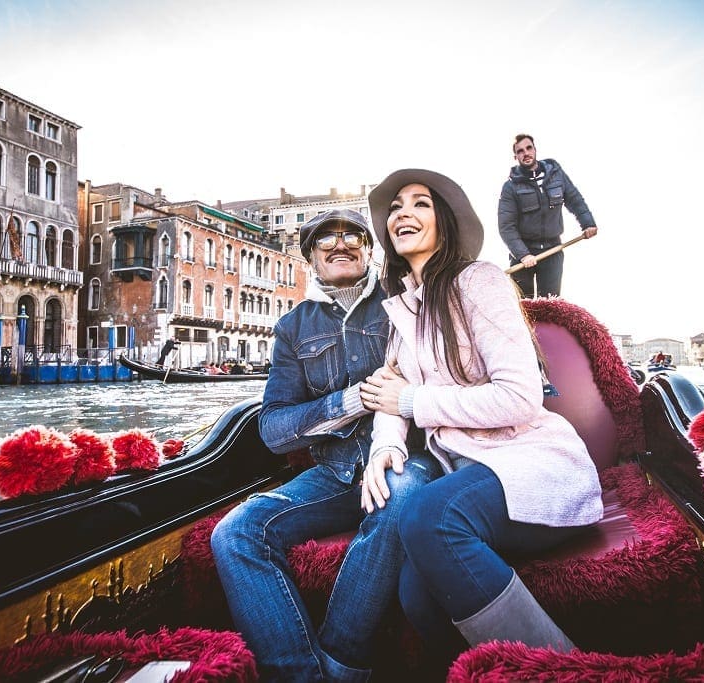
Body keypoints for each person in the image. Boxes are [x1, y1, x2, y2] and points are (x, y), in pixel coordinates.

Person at [361, 169, 604, 657]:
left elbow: (519, 396)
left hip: (533, 466)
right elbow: (388, 391)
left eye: (419, 204)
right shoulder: (403, 310)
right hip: (475, 476)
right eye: (395, 208)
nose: (403, 213)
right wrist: (385, 444)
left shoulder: (480, 281)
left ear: (445, 222)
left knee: (428, 516)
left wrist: (412, 403)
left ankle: (562, 670)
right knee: (415, 588)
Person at [210, 208, 441, 682]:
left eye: (353, 235)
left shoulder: (406, 301)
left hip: (408, 461)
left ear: (370, 250)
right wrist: (351, 400)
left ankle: (342, 666)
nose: (341, 244)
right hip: (335, 477)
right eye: (326, 239)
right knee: (234, 533)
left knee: (400, 498)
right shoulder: (292, 328)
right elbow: (274, 429)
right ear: (311, 257)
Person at [497, 134, 598, 298]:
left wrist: (588, 223)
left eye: (529, 148)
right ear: (516, 156)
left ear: (535, 149)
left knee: (551, 305)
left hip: (552, 250)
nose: (526, 153)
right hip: (524, 255)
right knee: (524, 308)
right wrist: (523, 255)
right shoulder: (510, 187)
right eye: (520, 151)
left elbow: (575, 200)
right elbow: (506, 226)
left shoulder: (556, 175)